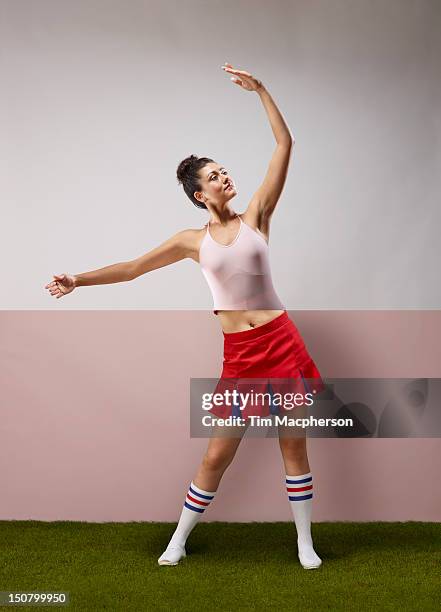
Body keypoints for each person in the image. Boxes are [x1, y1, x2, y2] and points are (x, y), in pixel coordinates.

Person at [44, 63, 325, 570]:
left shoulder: (258, 215)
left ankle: (305, 544)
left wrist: (261, 91)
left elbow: (284, 147)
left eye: (224, 169)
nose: (225, 176)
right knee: (217, 456)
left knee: (293, 449)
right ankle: (178, 540)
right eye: (215, 175)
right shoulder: (189, 241)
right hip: (240, 355)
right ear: (201, 194)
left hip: (282, 342)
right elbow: (132, 269)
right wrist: (78, 279)